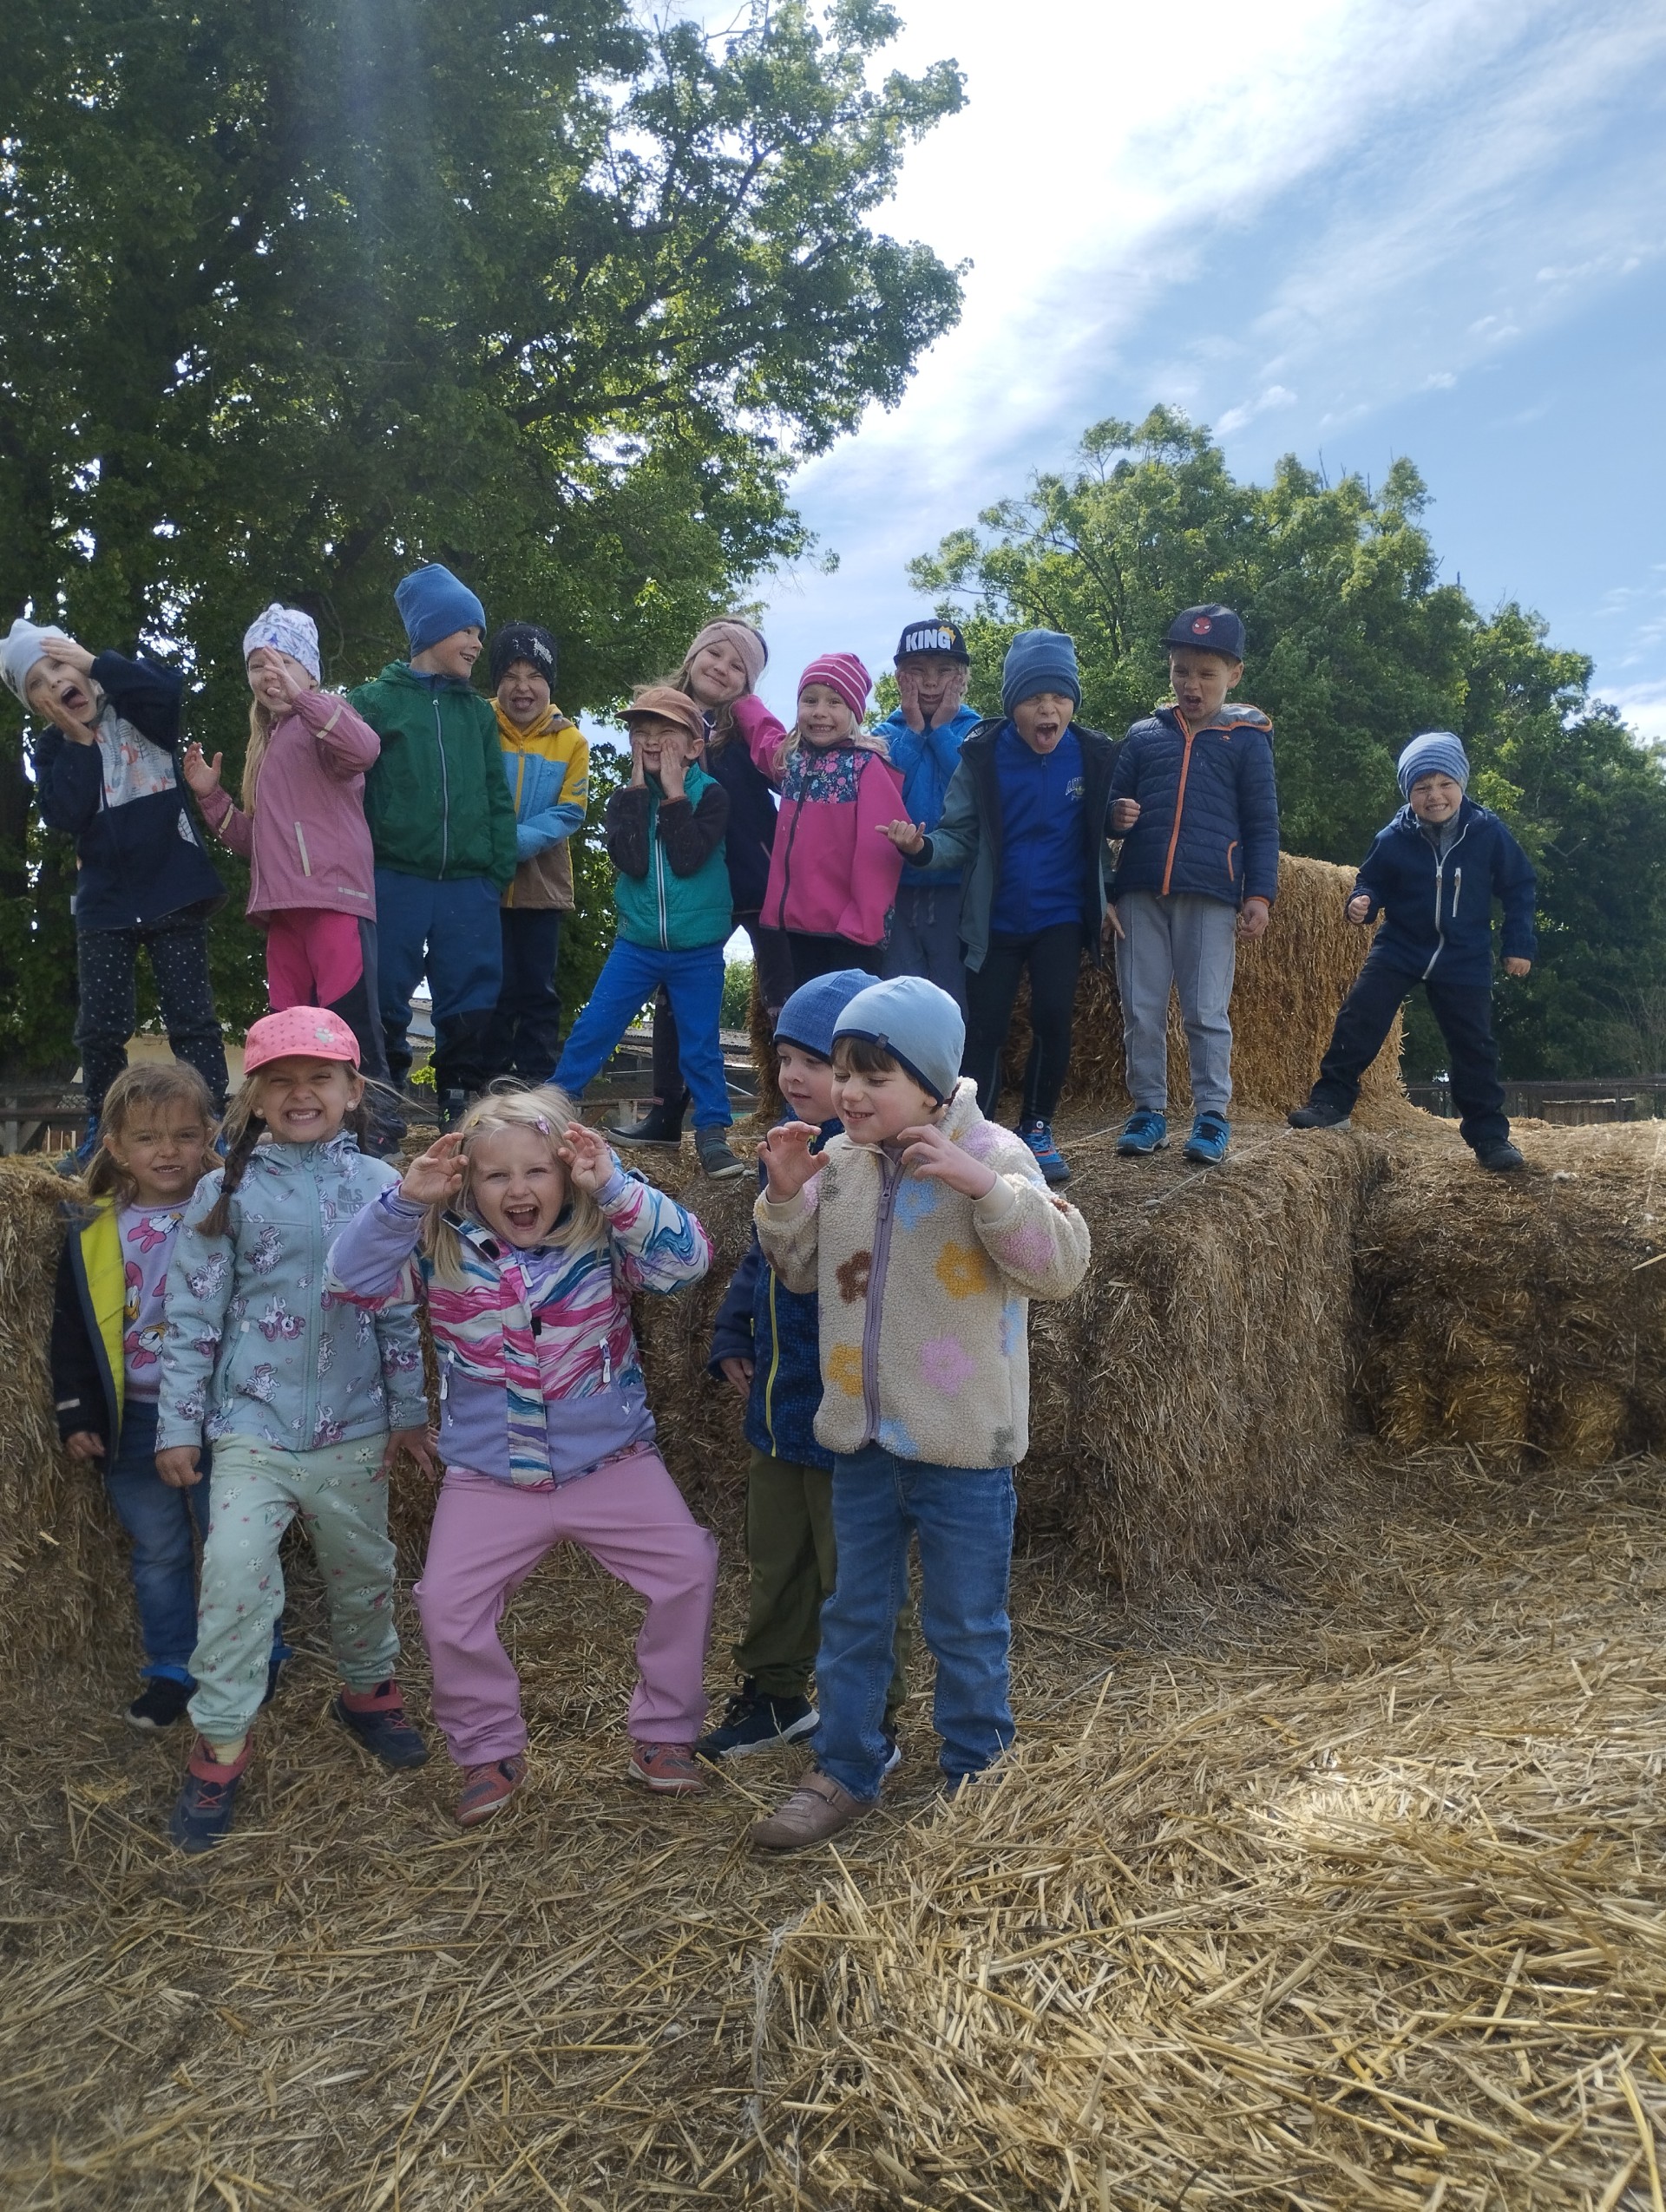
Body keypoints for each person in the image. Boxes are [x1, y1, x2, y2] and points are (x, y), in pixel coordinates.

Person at [746, 977, 1091, 1851]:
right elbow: (799, 1271)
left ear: (934, 1086)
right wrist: (785, 1197)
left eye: (875, 1076)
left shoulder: (996, 1153)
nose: (849, 1093)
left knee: (965, 1625)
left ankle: (979, 1774)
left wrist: (986, 1190)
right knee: (854, 1616)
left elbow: (1059, 1267)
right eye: (842, 1074)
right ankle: (846, 1765)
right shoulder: (843, 1164)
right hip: (863, 1442)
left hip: (964, 1447)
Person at [327, 1087, 719, 1823]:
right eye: (496, 1175)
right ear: (467, 1183)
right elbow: (348, 1281)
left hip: (612, 1464)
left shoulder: (605, 1237)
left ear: (567, 1173)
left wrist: (616, 1185)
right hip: (490, 1477)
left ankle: (664, 1735)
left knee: (688, 1568)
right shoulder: (439, 1247)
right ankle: (487, 1751)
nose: (518, 1190)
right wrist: (405, 1202)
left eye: (536, 1171)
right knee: (447, 1603)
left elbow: (689, 1262)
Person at [155, 1009, 434, 1853]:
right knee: (234, 1575)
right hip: (252, 1429)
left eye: (320, 1078)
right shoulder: (224, 1192)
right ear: (254, 1098)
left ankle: (368, 1691)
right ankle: (221, 1746)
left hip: (355, 1428)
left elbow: (398, 1311)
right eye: (280, 1081)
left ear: (353, 1091)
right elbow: (192, 1318)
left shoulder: (383, 1188)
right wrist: (179, 1425)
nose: (300, 1093)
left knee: (364, 1571)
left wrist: (409, 1412)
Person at [700, 969, 911, 1764]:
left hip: (848, 1411)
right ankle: (774, 1695)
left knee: (853, 1572)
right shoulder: (787, 1149)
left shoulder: (879, 1165)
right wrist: (733, 1328)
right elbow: (764, 1254)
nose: (793, 1075)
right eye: (785, 1057)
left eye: (816, 1062)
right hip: (779, 1403)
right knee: (776, 1560)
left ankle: (872, 1717)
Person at [881, 629, 1118, 1188]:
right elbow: (959, 834)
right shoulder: (984, 755)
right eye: (1034, 698)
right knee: (983, 1029)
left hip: (1060, 916)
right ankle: (972, 1132)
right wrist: (922, 849)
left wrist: (1110, 882)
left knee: (1053, 1018)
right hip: (995, 919)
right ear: (1012, 705)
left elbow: (1100, 833)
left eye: (1059, 697)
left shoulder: (1093, 754)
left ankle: (1037, 1127)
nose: (1048, 709)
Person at [2, 619, 228, 1164]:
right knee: (100, 1026)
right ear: (34, 706)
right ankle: (102, 1130)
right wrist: (80, 744)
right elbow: (65, 814)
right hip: (104, 905)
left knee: (192, 1019)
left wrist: (96, 660)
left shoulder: (138, 707)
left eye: (59, 667)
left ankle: (211, 1123)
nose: (55, 684)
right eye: (37, 684)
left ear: (82, 664)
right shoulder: (52, 749)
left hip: (174, 886)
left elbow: (168, 687)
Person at [50, 1061, 227, 1731]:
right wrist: (76, 1411)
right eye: (148, 1138)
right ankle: (171, 1666)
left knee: (234, 1543)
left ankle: (252, 1651)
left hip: (218, 1411)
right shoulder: (94, 1228)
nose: (168, 1151)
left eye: (184, 1135)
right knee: (159, 1549)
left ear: (209, 1136)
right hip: (133, 1417)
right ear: (117, 1148)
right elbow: (72, 1329)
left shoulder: (231, 1210)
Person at [1289, 732, 1535, 1171]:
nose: (1434, 795)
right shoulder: (1394, 836)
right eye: (1422, 787)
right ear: (1409, 793)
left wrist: (1518, 944)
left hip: (1464, 953)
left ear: (1461, 785)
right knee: (1360, 1016)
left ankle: (1489, 1136)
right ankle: (1331, 1104)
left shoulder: (1488, 832)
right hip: (1401, 945)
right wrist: (1362, 902)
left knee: (1474, 1044)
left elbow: (1519, 886)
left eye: (1445, 784)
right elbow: (1371, 880)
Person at [184, 605, 393, 1093]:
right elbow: (258, 843)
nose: (268, 673)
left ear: (310, 674)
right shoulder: (267, 743)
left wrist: (304, 700)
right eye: (257, 665)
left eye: (282, 662)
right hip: (282, 911)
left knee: (349, 1023)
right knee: (288, 1029)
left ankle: (375, 1122)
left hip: (334, 901)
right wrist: (211, 797)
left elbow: (365, 749)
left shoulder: (325, 717)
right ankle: (294, 1119)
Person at [610, 618, 792, 1151]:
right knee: (675, 997)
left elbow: (779, 761)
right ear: (693, 657)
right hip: (690, 884)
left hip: (756, 878)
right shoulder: (661, 722)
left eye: (738, 667)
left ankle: (794, 1107)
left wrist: (754, 712)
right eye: (715, 654)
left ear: (747, 684)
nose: (722, 668)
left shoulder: (746, 726)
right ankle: (667, 1112)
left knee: (782, 993)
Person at [1107, 605, 1280, 1168]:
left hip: (1211, 893)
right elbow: (1105, 813)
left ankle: (1211, 1115)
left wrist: (1260, 895)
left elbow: (1262, 824)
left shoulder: (1248, 741)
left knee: (1206, 1011)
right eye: (1181, 670)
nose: (1192, 684)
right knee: (1142, 1009)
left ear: (1235, 675)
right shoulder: (1142, 738)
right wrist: (1115, 816)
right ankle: (1148, 1111)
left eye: (1207, 673)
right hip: (1139, 892)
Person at [347, 564, 518, 1125]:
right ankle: (384, 1095)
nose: (477, 643)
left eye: (479, 632)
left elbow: (496, 793)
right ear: (431, 630)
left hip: (469, 882)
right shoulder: (373, 702)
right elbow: (347, 789)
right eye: (467, 630)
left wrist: (496, 869)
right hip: (393, 875)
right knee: (384, 988)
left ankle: (460, 1098)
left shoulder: (478, 714)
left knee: (471, 987)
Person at [553, 687, 744, 1180]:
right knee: (597, 1024)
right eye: (641, 732)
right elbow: (633, 862)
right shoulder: (624, 800)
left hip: (698, 947)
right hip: (636, 944)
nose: (652, 740)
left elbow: (688, 857)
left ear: (695, 747)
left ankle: (713, 1134)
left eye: (666, 732)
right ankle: (554, 1108)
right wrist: (639, 795)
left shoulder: (712, 796)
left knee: (700, 1043)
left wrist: (675, 795)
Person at [483, 622, 590, 1083]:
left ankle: (537, 1082)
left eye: (534, 676)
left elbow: (570, 810)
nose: (522, 687)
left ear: (550, 683)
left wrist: (512, 842)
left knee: (537, 989)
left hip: (542, 888)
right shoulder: (477, 725)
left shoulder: (572, 741)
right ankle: (483, 1082)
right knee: (489, 986)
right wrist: (486, 842)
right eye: (510, 675)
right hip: (482, 883)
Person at [759, 653, 904, 987]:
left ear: (853, 713)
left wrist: (863, 923)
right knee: (804, 1013)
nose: (819, 711)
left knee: (847, 1015)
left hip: (850, 933)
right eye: (809, 700)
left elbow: (879, 853)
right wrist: (742, 702)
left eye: (834, 702)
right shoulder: (792, 760)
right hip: (797, 925)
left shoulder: (864, 765)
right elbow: (761, 736)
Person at [876, 617, 983, 1010]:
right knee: (897, 998)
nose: (932, 682)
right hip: (896, 889)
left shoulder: (978, 732)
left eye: (945, 670)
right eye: (918, 671)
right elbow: (883, 793)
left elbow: (976, 789)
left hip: (958, 891)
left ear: (963, 678)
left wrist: (939, 733)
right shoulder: (884, 734)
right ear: (899, 678)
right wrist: (914, 731)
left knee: (953, 1002)